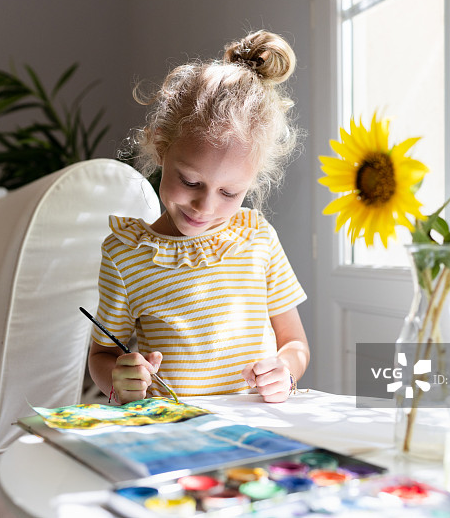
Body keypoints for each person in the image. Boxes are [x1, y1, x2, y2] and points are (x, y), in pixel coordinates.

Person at [88, 29, 309, 404]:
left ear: (251, 182)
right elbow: (101, 355)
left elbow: (294, 343)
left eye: (229, 193)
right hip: (175, 431)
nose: (204, 207)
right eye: (190, 181)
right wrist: (120, 376)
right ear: (161, 148)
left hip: (254, 427)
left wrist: (284, 371)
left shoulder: (257, 237)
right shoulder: (125, 253)